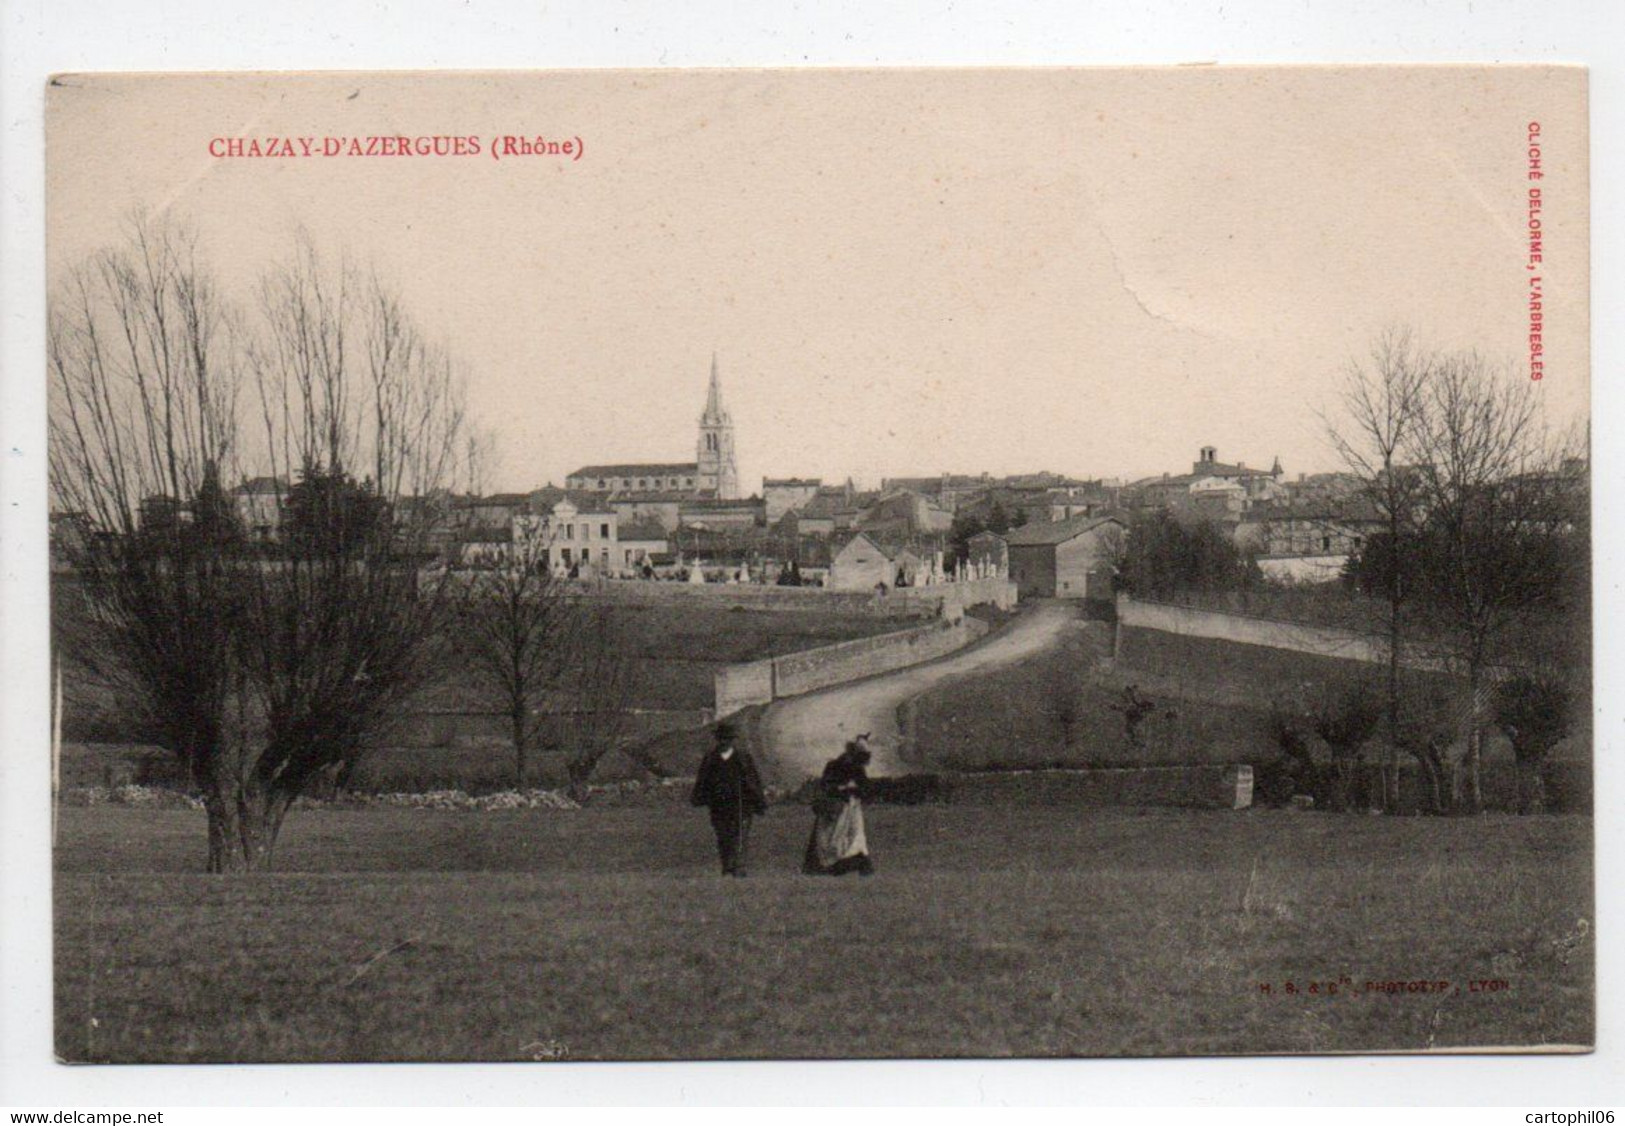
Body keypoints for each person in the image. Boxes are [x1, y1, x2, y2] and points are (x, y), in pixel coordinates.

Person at [690, 720, 768, 877]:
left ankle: (738, 867)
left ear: (733, 740)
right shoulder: (711, 758)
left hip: (741, 803)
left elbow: (753, 780)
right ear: (718, 740)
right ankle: (727, 865)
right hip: (718, 804)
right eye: (722, 739)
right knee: (723, 835)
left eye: (728, 739)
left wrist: (759, 801)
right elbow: (703, 780)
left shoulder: (743, 757)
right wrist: (699, 797)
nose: (724, 742)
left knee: (740, 835)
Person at [802, 734, 876, 877]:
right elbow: (865, 789)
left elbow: (825, 785)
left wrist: (843, 789)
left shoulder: (835, 765)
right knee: (849, 837)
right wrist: (848, 789)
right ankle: (854, 864)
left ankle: (831, 865)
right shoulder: (853, 767)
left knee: (832, 838)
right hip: (844, 807)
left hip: (839, 806)